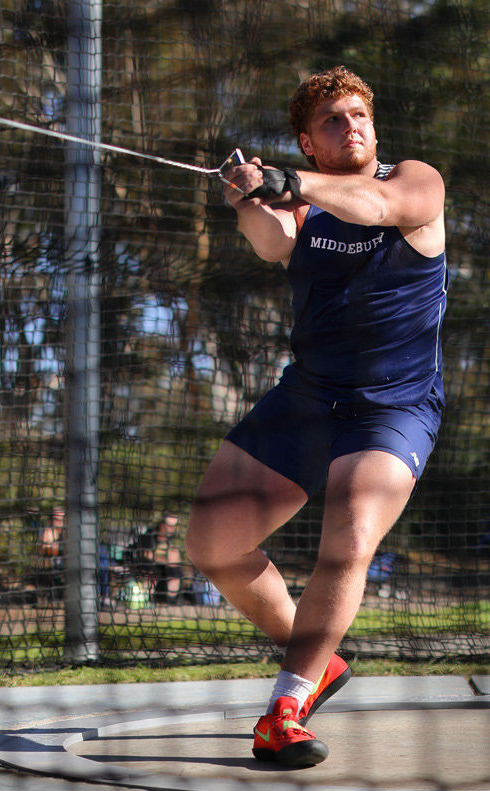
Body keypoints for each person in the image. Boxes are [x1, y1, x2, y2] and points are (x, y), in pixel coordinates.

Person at [185, 66, 447, 768]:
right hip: (307, 397)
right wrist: (248, 197)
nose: (351, 125)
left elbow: (374, 205)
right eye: (332, 120)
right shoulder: (305, 208)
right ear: (307, 138)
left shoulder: (416, 181)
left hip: (391, 405)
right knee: (213, 544)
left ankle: (285, 705)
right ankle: (320, 662)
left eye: (358, 113)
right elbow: (273, 241)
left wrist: (292, 182)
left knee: (351, 526)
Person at [128, 513, 186, 604]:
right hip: (145, 569)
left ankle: (171, 600)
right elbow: (147, 556)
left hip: (164, 571)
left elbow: (175, 560)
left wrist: (169, 561)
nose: (171, 529)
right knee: (150, 571)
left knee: (175, 572)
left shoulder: (172, 541)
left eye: (173, 526)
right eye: (169, 525)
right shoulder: (149, 537)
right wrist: (163, 559)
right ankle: (148, 600)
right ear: (162, 524)